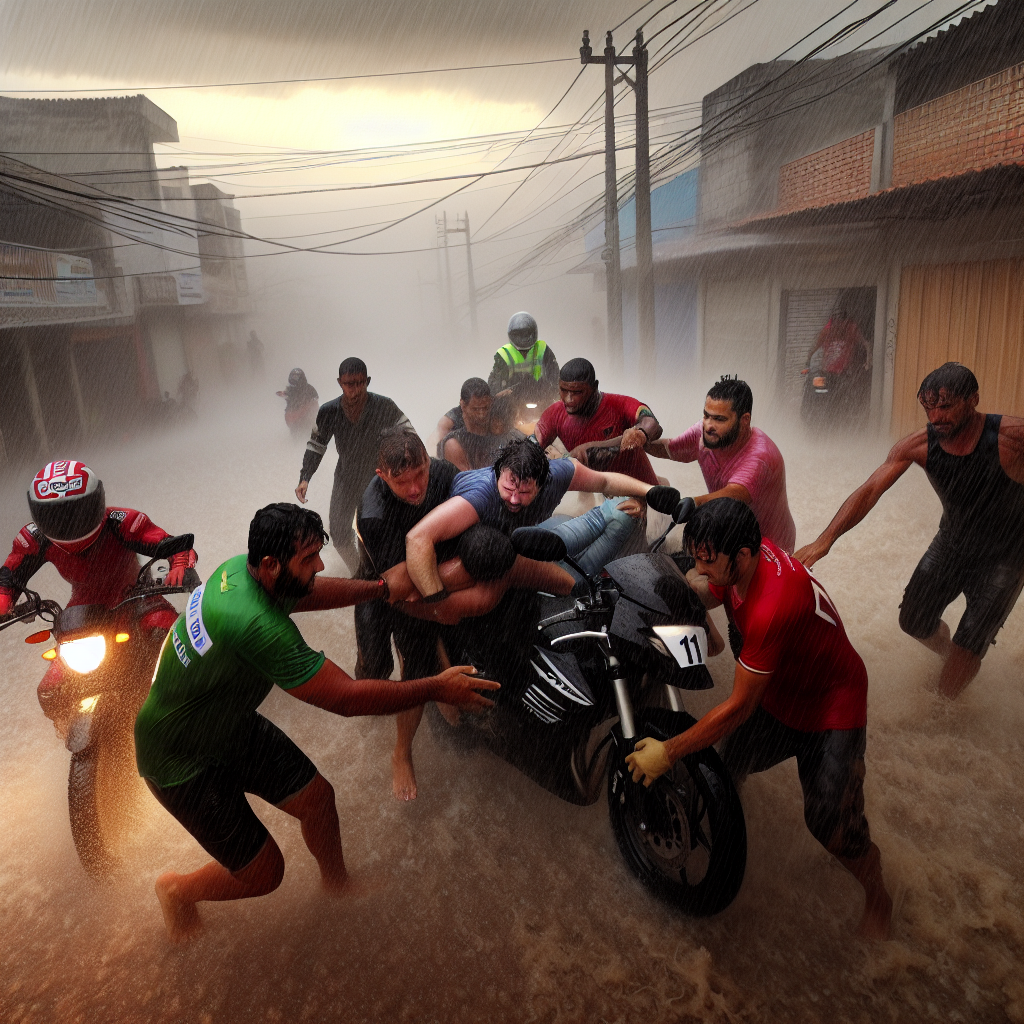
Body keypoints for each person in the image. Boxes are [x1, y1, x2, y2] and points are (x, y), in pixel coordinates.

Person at [134, 503, 496, 943]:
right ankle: (177, 889)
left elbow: (305, 592)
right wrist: (435, 688)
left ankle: (337, 886)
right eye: (308, 559)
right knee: (266, 873)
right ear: (270, 565)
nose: (320, 566)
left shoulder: (243, 572)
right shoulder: (254, 624)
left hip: (225, 724)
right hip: (178, 760)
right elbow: (345, 698)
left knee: (318, 799)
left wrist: (379, 590)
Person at [625, 498, 892, 940]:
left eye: (708, 562)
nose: (700, 568)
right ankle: (729, 843)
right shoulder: (741, 548)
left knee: (831, 825)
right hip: (780, 689)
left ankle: (878, 894)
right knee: (727, 769)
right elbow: (709, 590)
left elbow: (739, 707)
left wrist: (669, 751)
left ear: (743, 557)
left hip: (831, 707)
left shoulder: (771, 607)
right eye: (697, 558)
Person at [357, 428, 571, 800]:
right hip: (386, 589)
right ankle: (400, 752)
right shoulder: (375, 513)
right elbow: (399, 586)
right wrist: (441, 612)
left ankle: (447, 692)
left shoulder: (443, 473)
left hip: (439, 570)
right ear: (382, 476)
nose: (414, 489)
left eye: (419, 474)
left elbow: (479, 521)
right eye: (401, 482)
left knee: (472, 612)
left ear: (428, 461)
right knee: (383, 670)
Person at [795, 362, 1024, 699]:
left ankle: (943, 708)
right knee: (913, 621)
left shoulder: (1013, 438)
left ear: (972, 399)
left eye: (945, 406)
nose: (935, 417)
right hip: (953, 544)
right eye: (928, 407)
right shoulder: (918, 445)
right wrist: (823, 542)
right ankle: (953, 656)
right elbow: (870, 490)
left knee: (969, 643)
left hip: (1007, 556)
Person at [0, 461, 198, 728]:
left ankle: (198, 710)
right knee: (50, 691)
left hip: (137, 596)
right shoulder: (33, 539)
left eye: (75, 512)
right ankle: (71, 727)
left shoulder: (123, 522)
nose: (67, 524)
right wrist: (4, 599)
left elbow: (171, 544)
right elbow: (8, 577)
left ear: (96, 501)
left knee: (173, 638)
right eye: (56, 516)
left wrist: (179, 563)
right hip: (82, 609)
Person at [404, 435, 674, 603]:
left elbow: (604, 480)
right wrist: (434, 598)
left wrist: (650, 493)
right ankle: (576, 582)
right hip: (500, 559)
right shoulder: (477, 498)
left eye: (524, 492)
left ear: (542, 484)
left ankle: (579, 578)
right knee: (575, 587)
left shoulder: (556, 474)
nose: (514, 499)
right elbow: (418, 538)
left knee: (621, 513)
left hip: (540, 535)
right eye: (508, 488)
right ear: (499, 474)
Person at [648, 377, 796, 554]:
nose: (709, 425)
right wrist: (638, 439)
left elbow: (735, 494)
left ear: (745, 420)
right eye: (706, 415)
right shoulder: (704, 434)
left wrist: (694, 503)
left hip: (769, 549)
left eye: (719, 419)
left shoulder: (760, 455)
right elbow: (669, 449)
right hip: (729, 533)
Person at [295, 357, 410, 574]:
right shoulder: (329, 411)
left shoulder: (384, 406)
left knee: (376, 529)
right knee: (338, 534)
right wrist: (305, 477)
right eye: (349, 384)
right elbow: (316, 445)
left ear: (367, 381)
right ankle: (359, 574)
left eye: (360, 383)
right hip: (346, 477)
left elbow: (408, 435)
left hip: (378, 478)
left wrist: (409, 467)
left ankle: (384, 574)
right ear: (340, 383)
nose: (355, 390)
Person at [442, 379, 522, 471]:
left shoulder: (505, 435)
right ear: (463, 405)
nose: (482, 414)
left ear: (490, 402)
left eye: (485, 408)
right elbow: (470, 483)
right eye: (476, 409)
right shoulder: (454, 443)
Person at [488, 311, 560, 413]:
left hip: (542, 397)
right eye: (519, 334)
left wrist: (555, 392)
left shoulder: (543, 349)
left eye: (526, 334)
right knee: (498, 418)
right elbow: (495, 381)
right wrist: (498, 394)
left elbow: (554, 373)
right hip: (513, 401)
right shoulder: (504, 354)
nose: (523, 338)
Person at [276, 367, 319, 438]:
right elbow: (289, 419)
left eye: (296, 377)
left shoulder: (309, 390)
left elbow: (315, 406)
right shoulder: (291, 392)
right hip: (296, 428)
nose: (293, 379)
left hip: (309, 425)